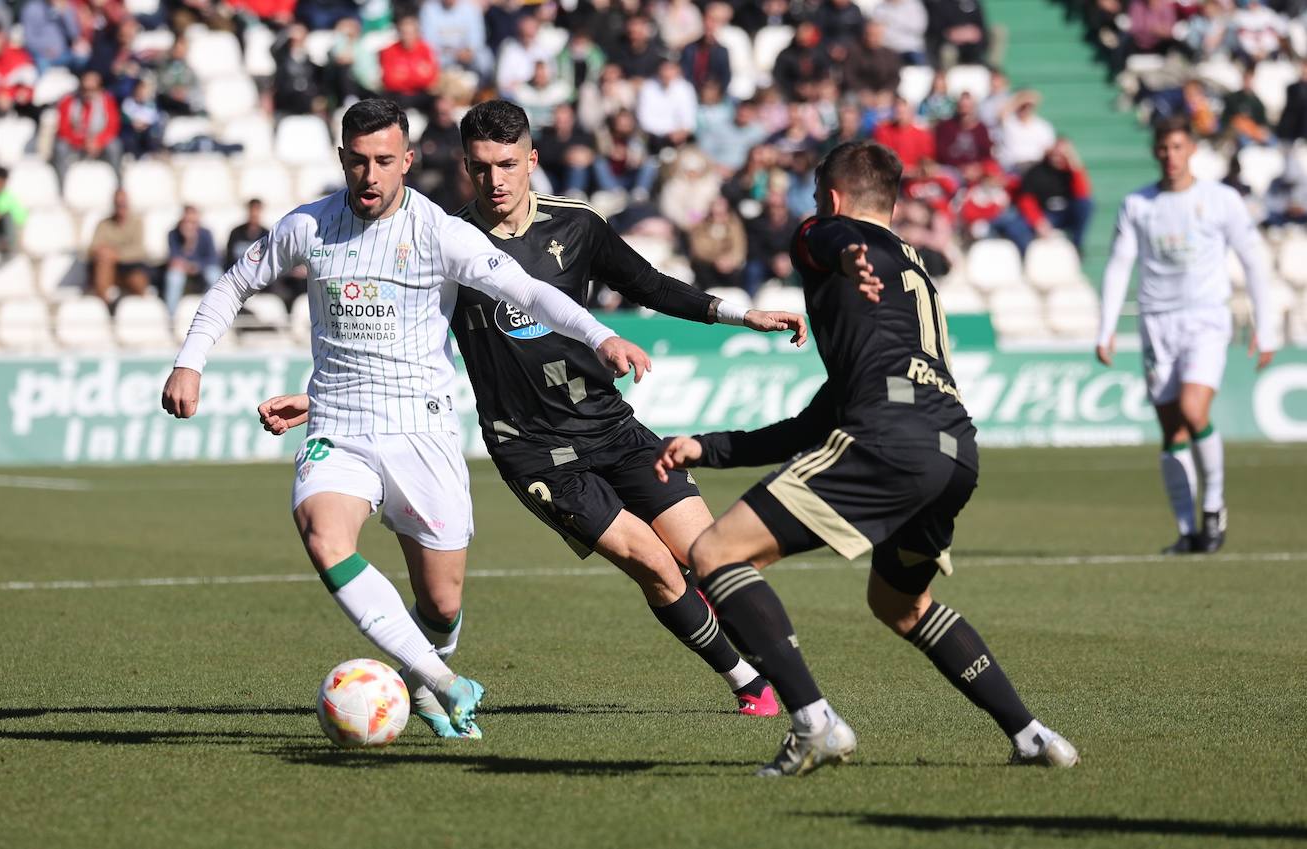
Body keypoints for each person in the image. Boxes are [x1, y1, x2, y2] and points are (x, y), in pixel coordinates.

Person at [261, 100, 808, 717]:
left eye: (507, 165)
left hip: (612, 425)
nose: (494, 181)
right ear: (465, 167)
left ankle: (789, 675)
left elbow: (650, 285)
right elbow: (409, 347)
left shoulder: (577, 226)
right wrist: (323, 399)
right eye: (479, 167)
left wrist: (742, 314)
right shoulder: (445, 240)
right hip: (535, 450)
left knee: (707, 552)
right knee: (655, 564)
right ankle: (747, 682)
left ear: (532, 161)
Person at [161, 99, 652, 740]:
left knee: (442, 608)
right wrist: (189, 362)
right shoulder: (308, 226)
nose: (371, 175)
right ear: (342, 159)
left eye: (385, 162)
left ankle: (424, 678)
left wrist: (598, 335)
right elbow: (232, 285)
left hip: (422, 434)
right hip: (340, 424)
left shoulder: (441, 233)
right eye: (359, 161)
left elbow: (530, 291)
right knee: (322, 534)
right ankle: (445, 682)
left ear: (408, 163)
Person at [653, 140, 1080, 777]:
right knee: (902, 605)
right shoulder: (913, 280)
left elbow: (821, 240)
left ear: (829, 197)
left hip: (891, 436)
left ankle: (813, 722)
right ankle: (1031, 735)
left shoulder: (828, 237)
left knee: (715, 553)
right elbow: (816, 421)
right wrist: (708, 449)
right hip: (952, 448)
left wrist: (842, 248)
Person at [1097, 115, 1279, 554]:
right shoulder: (1138, 204)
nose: (1170, 156)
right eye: (1163, 148)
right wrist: (1106, 328)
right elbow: (1120, 264)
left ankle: (1214, 507)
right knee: (1171, 429)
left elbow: (1253, 259)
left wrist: (1266, 327)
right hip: (1157, 322)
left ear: (1192, 149)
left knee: (1194, 410)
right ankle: (1186, 531)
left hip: (1206, 318)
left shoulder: (1220, 200)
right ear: (1155, 151)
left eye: (1178, 147)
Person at [89, 190, 150, 300]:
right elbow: (93, 249)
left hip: (130, 269)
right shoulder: (104, 224)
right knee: (104, 261)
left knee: (138, 281)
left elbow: (140, 250)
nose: (121, 207)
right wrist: (106, 254)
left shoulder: (137, 223)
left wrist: (116, 254)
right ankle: (104, 304)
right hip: (110, 270)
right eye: (118, 204)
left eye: (123, 204)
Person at [163, 205, 221, 314]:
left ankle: (216, 312)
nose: (189, 226)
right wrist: (188, 242)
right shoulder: (173, 234)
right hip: (183, 270)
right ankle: (171, 317)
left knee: (215, 275)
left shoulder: (206, 234)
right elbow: (174, 259)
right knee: (174, 278)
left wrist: (198, 266)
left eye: (192, 222)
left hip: (201, 268)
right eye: (187, 222)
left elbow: (213, 258)